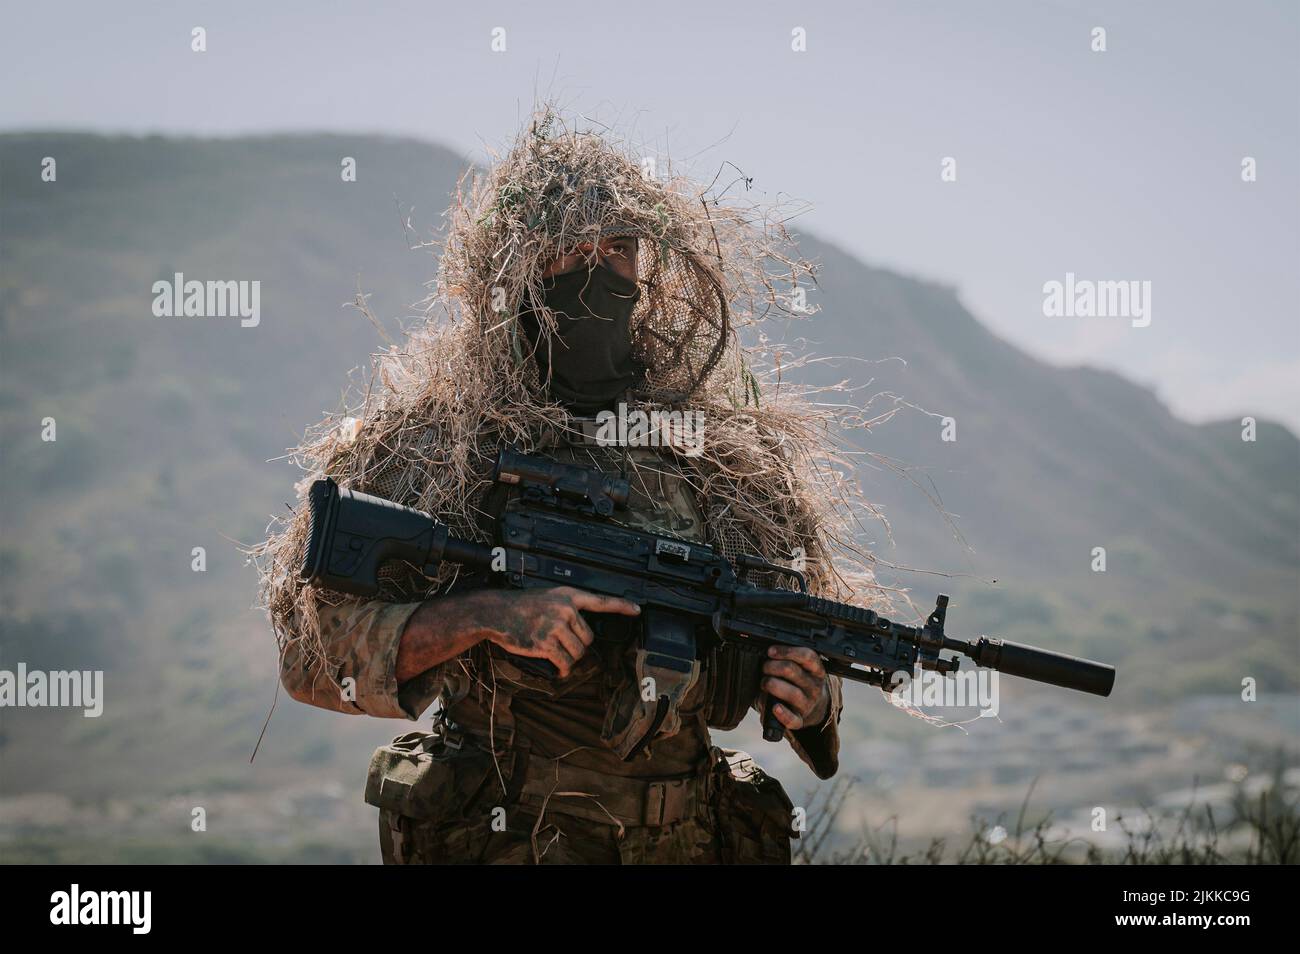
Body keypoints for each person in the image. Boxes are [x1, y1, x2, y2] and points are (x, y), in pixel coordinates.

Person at [258, 110, 876, 864]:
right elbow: (311, 661)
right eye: (567, 250)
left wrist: (810, 703)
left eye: (616, 249)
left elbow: (789, 637)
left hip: (687, 842)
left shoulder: (717, 458)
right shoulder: (438, 447)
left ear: (644, 271)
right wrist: (483, 616)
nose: (595, 271)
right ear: (515, 271)